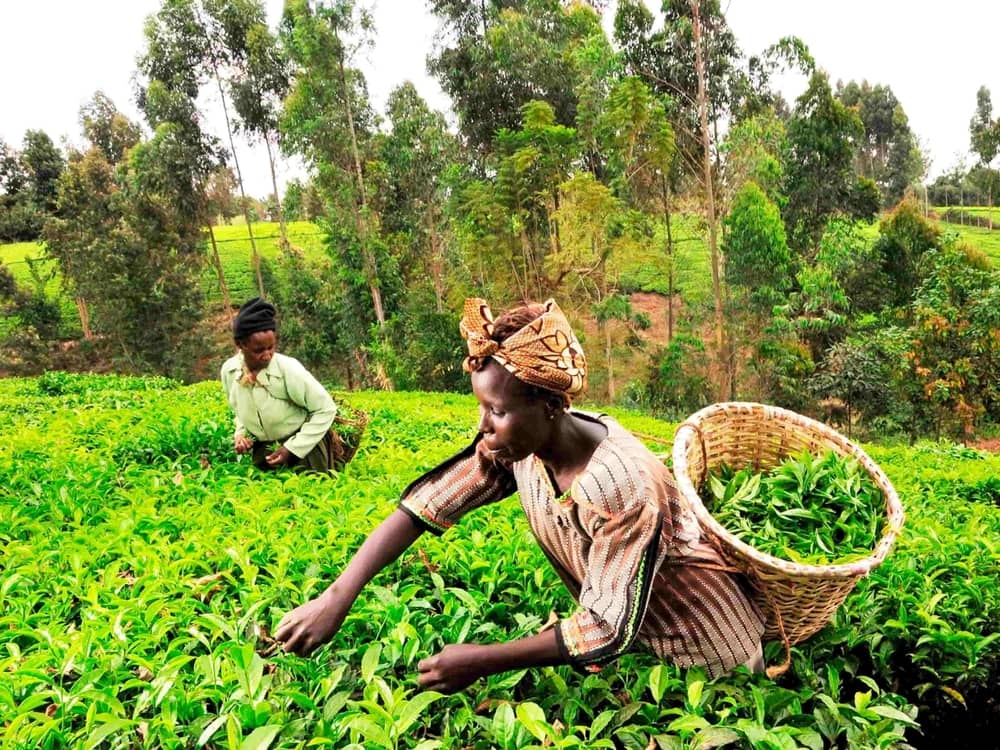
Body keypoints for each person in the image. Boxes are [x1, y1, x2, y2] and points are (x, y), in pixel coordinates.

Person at [274, 298, 765, 691]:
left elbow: (604, 628)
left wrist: (481, 661)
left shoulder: (623, 486)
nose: (484, 427)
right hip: (639, 649)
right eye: (482, 408)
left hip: (709, 654)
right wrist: (338, 595)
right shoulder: (522, 449)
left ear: (549, 406)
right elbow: (432, 502)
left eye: (497, 411)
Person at [221, 297, 340, 474]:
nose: (267, 355)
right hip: (265, 452)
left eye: (271, 347)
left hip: (305, 451)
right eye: (259, 350)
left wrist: (293, 448)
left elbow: (326, 409)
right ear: (240, 345)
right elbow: (239, 410)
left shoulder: (288, 369)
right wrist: (241, 434)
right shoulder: (230, 372)